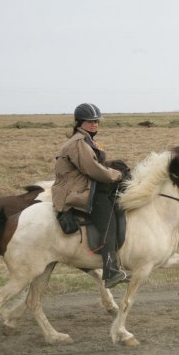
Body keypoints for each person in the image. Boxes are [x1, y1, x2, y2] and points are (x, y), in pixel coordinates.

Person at [52, 103, 130, 288]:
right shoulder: (79, 143)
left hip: (84, 187)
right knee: (108, 222)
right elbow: (92, 168)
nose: (95, 124)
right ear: (80, 122)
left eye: (96, 121)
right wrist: (117, 175)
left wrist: (113, 166)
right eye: (90, 121)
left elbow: (94, 164)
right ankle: (110, 271)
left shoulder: (85, 140)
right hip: (78, 192)